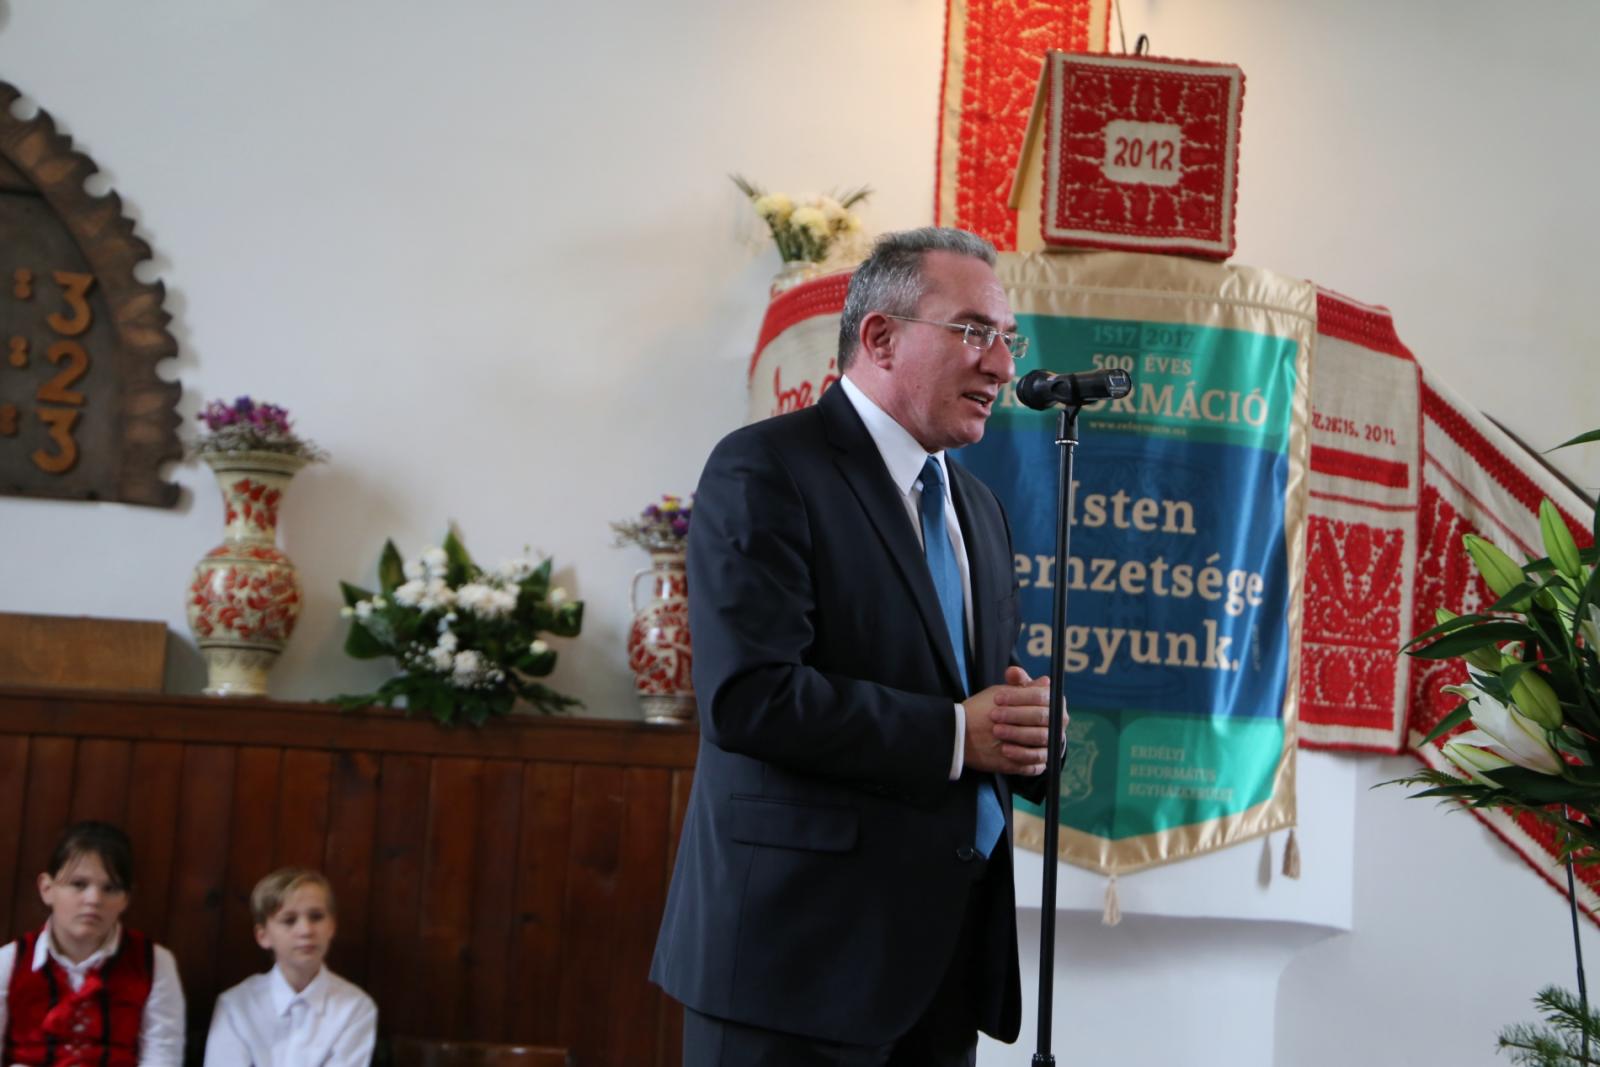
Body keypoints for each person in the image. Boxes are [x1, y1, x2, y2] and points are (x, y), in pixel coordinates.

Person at [651, 226, 1058, 1065]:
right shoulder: (766, 467)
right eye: (974, 332)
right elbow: (750, 696)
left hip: (942, 965)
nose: (1001, 366)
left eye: (1007, 340)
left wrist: (1030, 734)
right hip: (795, 964)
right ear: (880, 337)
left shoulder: (980, 508)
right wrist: (959, 733)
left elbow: (979, 702)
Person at [0, 820, 186, 1065]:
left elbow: (162, 1055)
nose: (94, 899)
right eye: (78, 884)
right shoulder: (9, 961)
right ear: (47, 889)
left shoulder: (153, 962)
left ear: (126, 899)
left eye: (110, 888)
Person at [203, 868, 376, 1067]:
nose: (306, 930)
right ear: (263, 936)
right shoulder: (236, 1006)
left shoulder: (355, 1007)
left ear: (332, 926)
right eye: (289, 920)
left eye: (316, 917)